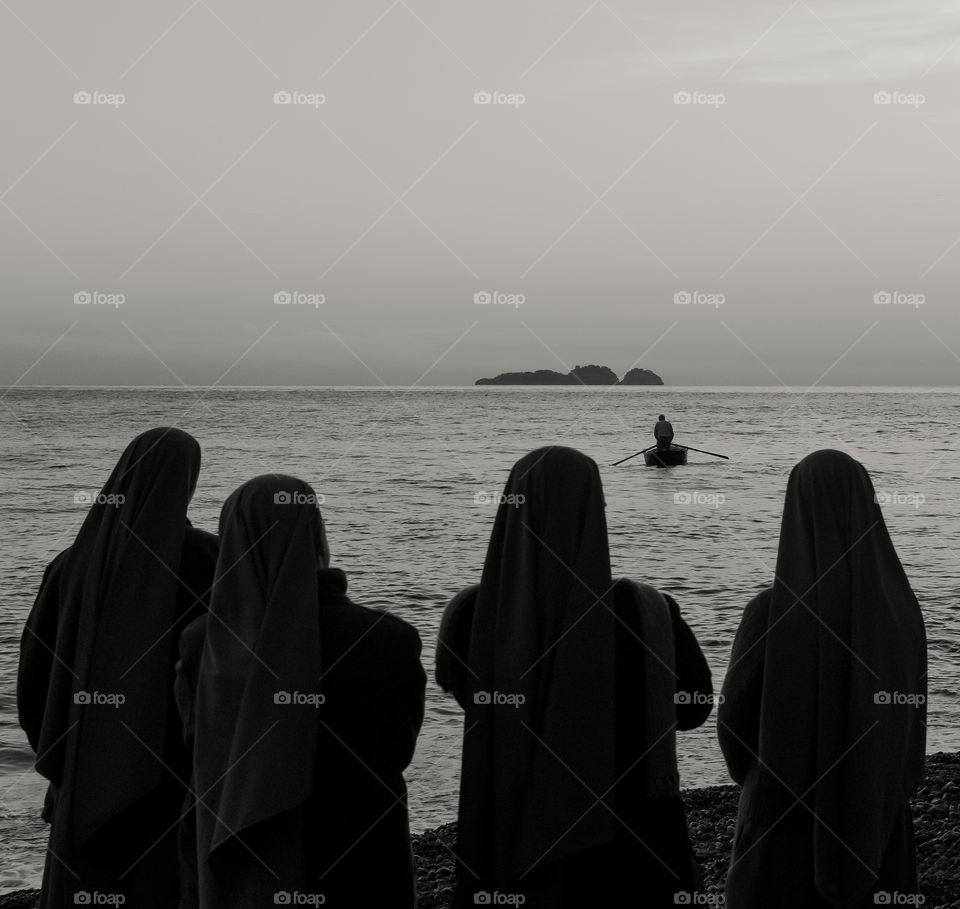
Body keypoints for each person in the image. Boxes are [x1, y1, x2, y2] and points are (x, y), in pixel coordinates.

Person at [436, 446, 714, 908]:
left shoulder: (471, 615)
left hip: (508, 826)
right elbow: (692, 710)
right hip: (634, 847)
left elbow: (462, 694)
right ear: (597, 510)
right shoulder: (649, 612)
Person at [175, 474, 425, 909]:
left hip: (234, 852)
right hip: (359, 855)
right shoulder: (385, 638)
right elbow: (396, 750)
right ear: (317, 534)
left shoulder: (202, 642)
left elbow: (193, 742)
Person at [17, 427, 219, 909]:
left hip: (84, 766)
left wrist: (65, 755)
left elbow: (35, 676)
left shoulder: (71, 565)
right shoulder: (211, 559)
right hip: (178, 773)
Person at [718, 450, 927, 908]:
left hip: (781, 821)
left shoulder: (771, 611)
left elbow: (733, 718)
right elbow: (911, 723)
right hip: (878, 818)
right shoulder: (901, 612)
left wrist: (757, 778)